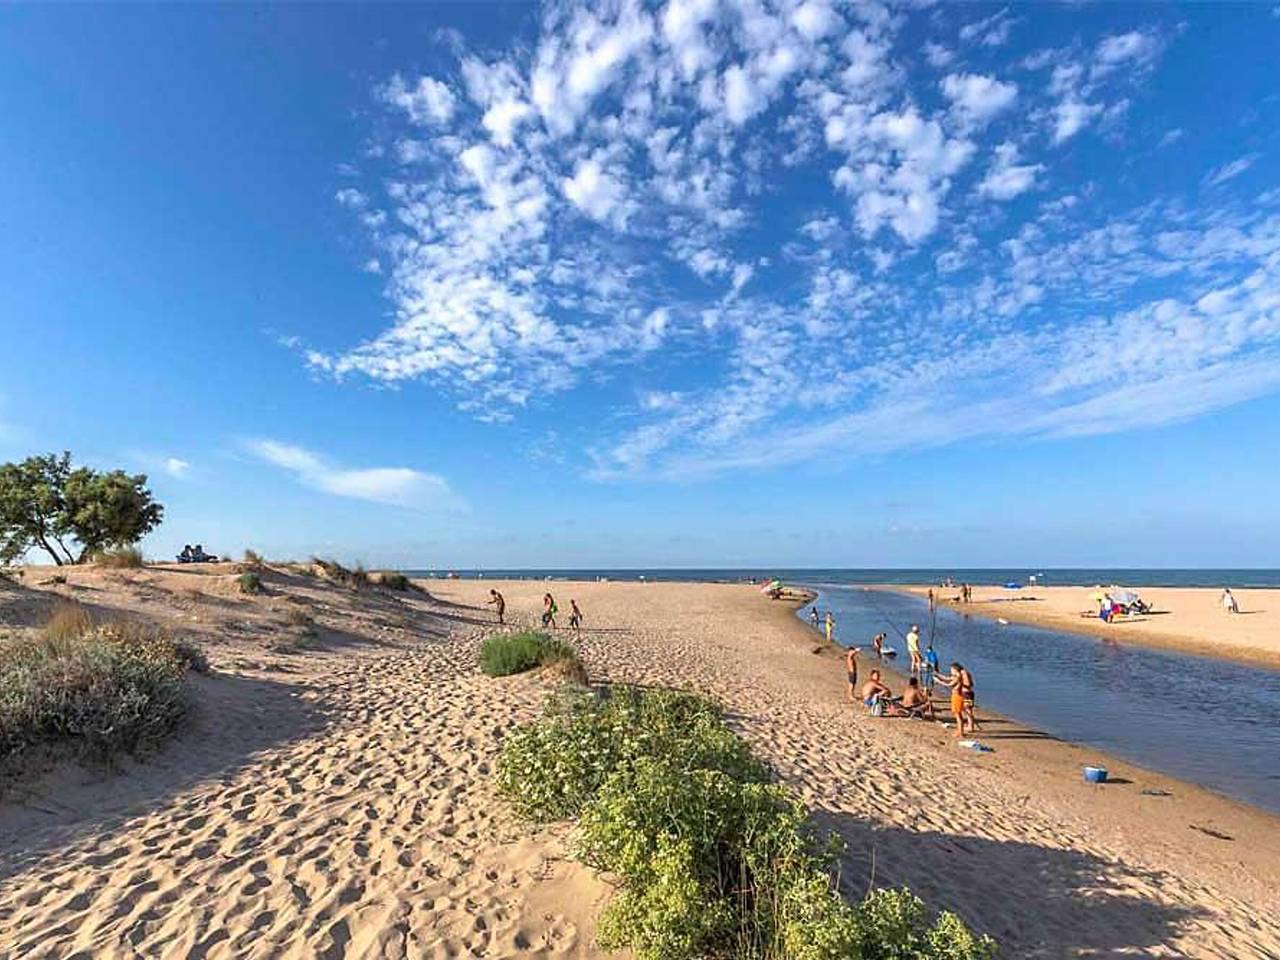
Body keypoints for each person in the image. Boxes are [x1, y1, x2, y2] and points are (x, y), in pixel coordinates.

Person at [937, 662, 976, 738]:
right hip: (964, 693)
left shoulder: (963, 673)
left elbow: (969, 684)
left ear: (956, 669)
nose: (951, 671)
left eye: (952, 670)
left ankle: (970, 727)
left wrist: (960, 684)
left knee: (967, 711)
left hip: (966, 694)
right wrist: (938, 675)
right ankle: (969, 726)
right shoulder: (959, 674)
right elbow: (949, 678)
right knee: (966, 711)